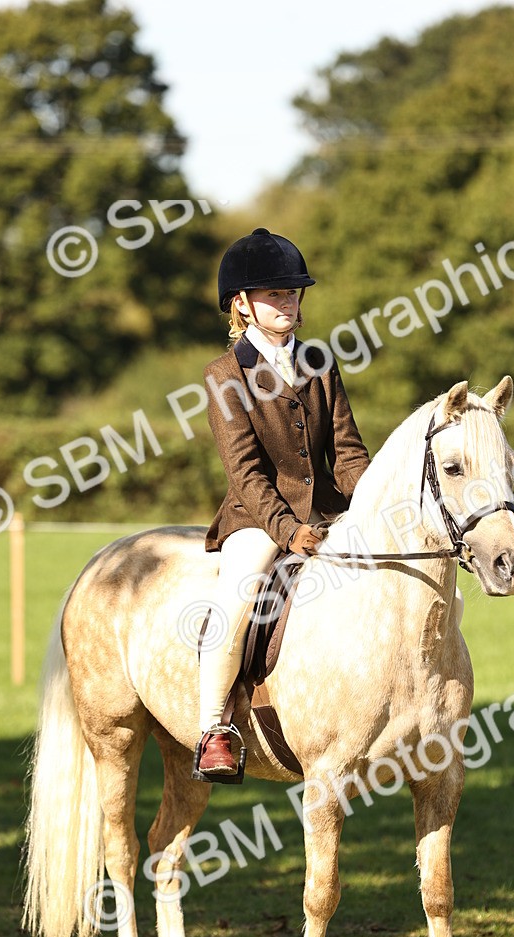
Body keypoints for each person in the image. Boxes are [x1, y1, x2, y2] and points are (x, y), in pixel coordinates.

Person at [193, 228, 370, 780]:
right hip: (257, 521)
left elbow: (347, 451)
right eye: (275, 293)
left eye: (293, 292)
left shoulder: (319, 360)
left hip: (326, 514)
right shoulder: (227, 375)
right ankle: (214, 728)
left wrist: (374, 504)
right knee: (240, 594)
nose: (288, 301)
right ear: (242, 304)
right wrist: (288, 532)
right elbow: (245, 472)